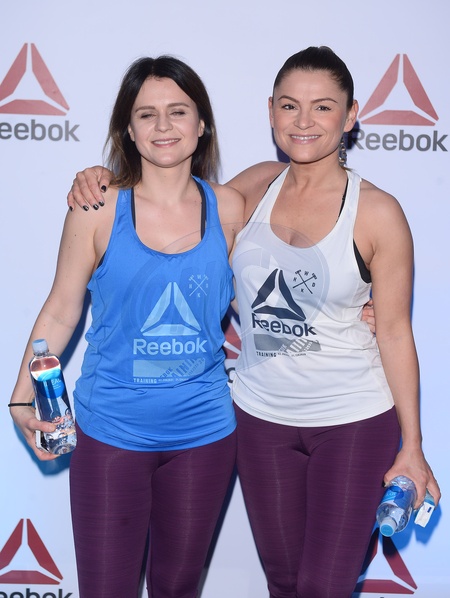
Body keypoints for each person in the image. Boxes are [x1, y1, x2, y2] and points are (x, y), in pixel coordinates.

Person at [66, 47, 440, 598]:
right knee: (284, 583)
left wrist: (413, 445)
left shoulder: (379, 212)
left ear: (351, 115)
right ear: (270, 112)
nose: (304, 121)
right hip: (260, 419)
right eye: (289, 106)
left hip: (354, 418)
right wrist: (101, 176)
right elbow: (171, 201)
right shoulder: (251, 190)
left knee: (323, 587)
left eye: (323, 106)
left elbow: (395, 331)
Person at [8, 55, 245, 598]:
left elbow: (265, 297)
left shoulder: (231, 208)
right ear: (129, 130)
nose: (163, 126)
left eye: (178, 111)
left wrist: (362, 308)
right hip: (110, 432)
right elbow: (61, 309)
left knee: (176, 589)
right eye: (146, 114)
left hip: (205, 436)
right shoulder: (95, 208)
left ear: (202, 124)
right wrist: (22, 397)